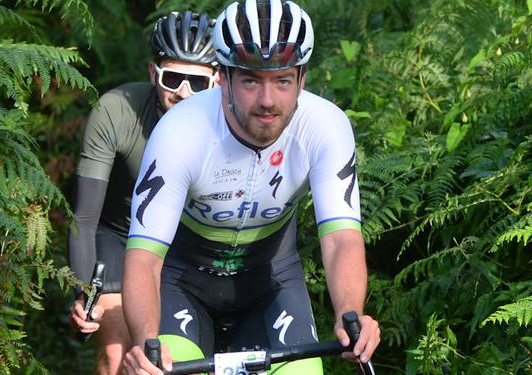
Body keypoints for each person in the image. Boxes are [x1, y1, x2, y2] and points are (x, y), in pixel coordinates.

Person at [118, 1, 380, 374]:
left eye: (283, 80)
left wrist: (350, 315)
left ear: (302, 79)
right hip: (182, 281)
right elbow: (144, 258)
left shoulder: (325, 126)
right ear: (222, 77)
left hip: (271, 280)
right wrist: (147, 347)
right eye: (251, 80)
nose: (268, 100)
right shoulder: (180, 132)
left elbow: (341, 239)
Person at [67, 11, 219, 375]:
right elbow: (85, 218)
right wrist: (84, 292)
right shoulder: (116, 111)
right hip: (122, 234)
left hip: (191, 244)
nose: (183, 92)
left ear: (218, 81)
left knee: (175, 360)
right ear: (153, 73)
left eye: (196, 82)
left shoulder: (233, 124)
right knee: (117, 353)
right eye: (173, 78)